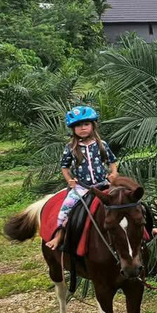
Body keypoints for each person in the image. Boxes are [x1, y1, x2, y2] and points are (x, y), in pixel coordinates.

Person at [46, 106, 118, 250]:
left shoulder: (101, 145)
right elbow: (64, 167)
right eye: (78, 125)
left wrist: (114, 173)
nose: (82, 128)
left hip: (103, 184)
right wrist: (69, 181)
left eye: (86, 124)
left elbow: (112, 161)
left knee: (128, 201)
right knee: (65, 209)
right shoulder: (71, 147)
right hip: (82, 187)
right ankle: (59, 235)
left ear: (93, 125)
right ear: (73, 129)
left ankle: (147, 231)